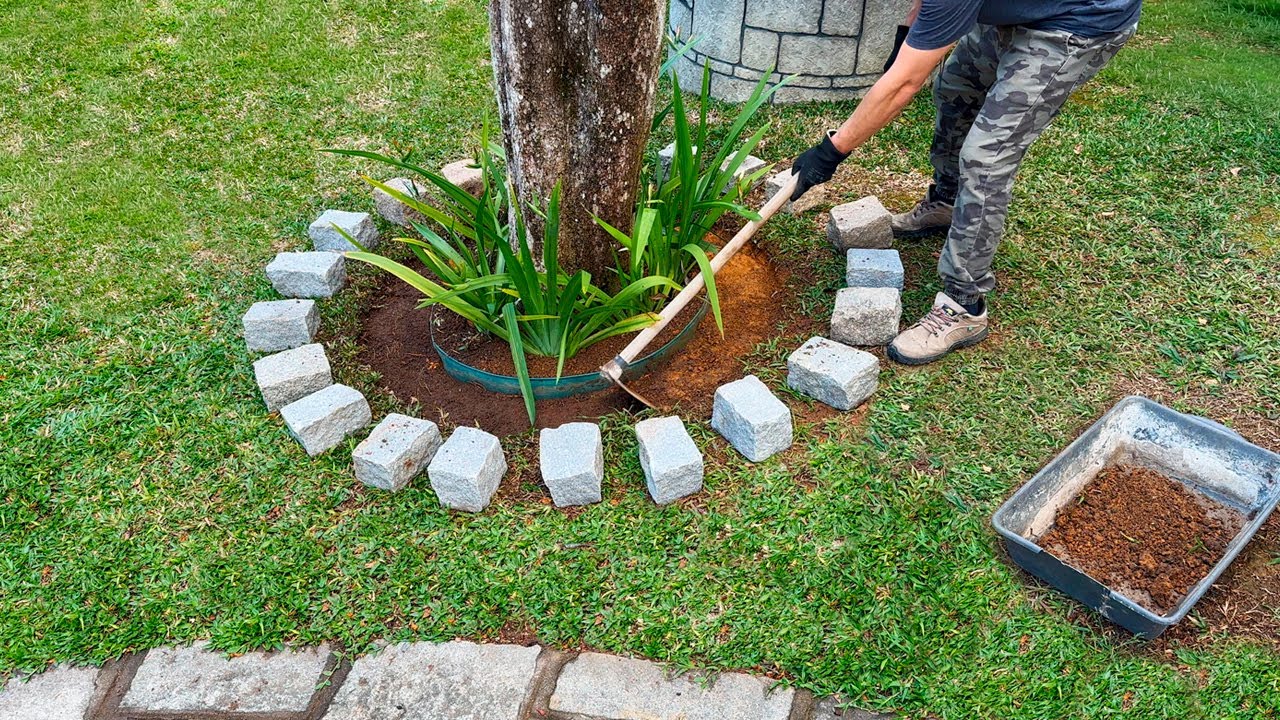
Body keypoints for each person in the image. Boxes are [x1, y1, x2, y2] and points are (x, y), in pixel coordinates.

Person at [789, 0, 1141, 365]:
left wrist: (831, 151)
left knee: (986, 157)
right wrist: (907, 39)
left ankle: (964, 304)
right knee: (955, 87)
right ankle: (947, 202)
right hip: (1024, 10)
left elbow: (904, 85)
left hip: (1077, 23)